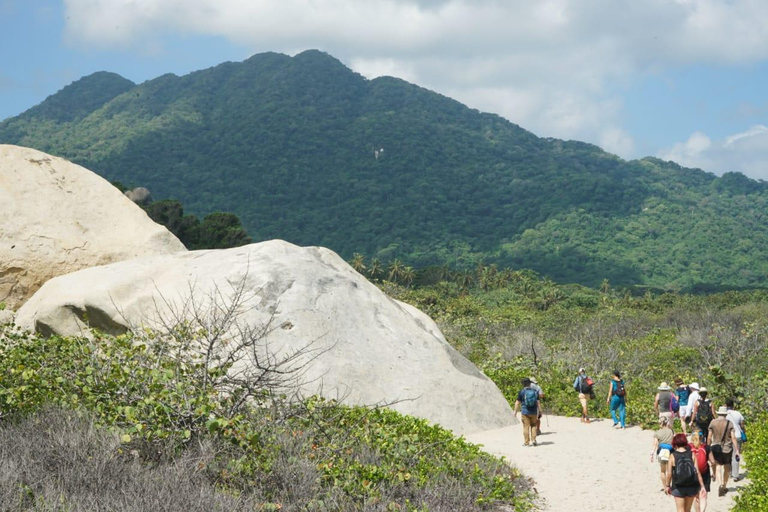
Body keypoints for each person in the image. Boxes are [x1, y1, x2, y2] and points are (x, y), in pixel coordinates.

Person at [666, 433, 707, 511]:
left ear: (675, 443)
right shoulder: (692, 454)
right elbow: (697, 472)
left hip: (678, 487)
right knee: (688, 509)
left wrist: (667, 486)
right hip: (691, 485)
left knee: (680, 509)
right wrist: (702, 486)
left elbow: (669, 474)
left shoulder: (672, 456)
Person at [708, 406, 740, 497]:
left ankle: (720, 484)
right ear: (725, 414)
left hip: (716, 447)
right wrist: (737, 450)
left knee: (718, 466)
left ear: (718, 413)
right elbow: (733, 437)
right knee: (726, 467)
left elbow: (709, 436)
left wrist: (707, 446)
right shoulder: (729, 423)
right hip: (727, 448)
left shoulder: (713, 422)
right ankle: (724, 485)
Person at [514, 377, 540, 447]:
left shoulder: (521, 392)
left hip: (525, 412)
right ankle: (534, 440)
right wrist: (540, 411)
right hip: (534, 411)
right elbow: (538, 402)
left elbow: (517, 402)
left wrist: (515, 411)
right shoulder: (535, 391)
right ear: (530, 383)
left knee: (526, 427)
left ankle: (526, 442)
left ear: (523, 384)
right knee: (534, 425)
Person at [651, 416, 675, 491]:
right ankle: (669, 485)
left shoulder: (657, 432)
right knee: (670, 470)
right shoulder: (671, 431)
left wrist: (652, 453)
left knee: (662, 471)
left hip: (661, 451)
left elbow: (655, 444)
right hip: (670, 451)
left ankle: (665, 487)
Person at [725, 398, 746, 482]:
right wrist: (744, 431)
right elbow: (742, 425)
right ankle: (735, 475)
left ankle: (729, 473)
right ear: (733, 405)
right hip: (737, 436)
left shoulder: (724, 414)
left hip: (727, 437)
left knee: (728, 455)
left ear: (726, 405)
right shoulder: (738, 413)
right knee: (736, 454)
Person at [689, 432, 711, 512]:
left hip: (692, 474)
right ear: (702, 437)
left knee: (696, 496)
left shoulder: (688, 447)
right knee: (704, 495)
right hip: (705, 473)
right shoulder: (706, 447)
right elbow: (712, 461)